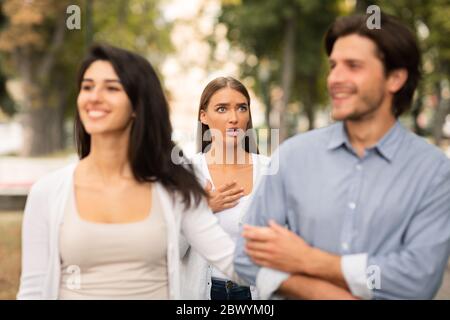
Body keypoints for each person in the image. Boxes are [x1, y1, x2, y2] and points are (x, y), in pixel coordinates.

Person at [235, 13, 450, 300]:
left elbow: (418, 278)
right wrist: (327, 293)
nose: (335, 78)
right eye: (333, 66)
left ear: (395, 78)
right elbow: (245, 257)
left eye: (353, 66)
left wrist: (307, 259)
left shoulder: (434, 172)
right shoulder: (292, 156)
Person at [17, 44, 242, 300]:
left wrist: (294, 264)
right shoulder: (48, 192)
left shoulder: (174, 186)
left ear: (137, 105)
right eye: (87, 87)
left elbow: (234, 263)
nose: (94, 97)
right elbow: (33, 290)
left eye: (111, 88)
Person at [181, 77, 270, 300]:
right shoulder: (187, 173)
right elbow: (171, 250)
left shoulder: (269, 171)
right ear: (203, 116)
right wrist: (203, 209)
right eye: (222, 109)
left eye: (242, 108)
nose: (234, 118)